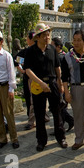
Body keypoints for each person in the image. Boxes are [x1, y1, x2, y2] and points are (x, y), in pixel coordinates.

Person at [23, 23, 67, 152]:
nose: (47, 37)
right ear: (37, 37)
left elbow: (57, 67)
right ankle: (41, 141)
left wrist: (60, 83)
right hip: (38, 85)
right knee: (40, 114)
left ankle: (61, 137)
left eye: (48, 35)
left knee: (57, 112)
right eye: (44, 35)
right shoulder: (30, 51)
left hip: (52, 83)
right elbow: (28, 70)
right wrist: (41, 83)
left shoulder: (52, 49)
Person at [51, 37, 74, 133]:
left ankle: (69, 120)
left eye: (52, 45)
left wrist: (61, 85)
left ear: (58, 46)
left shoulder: (61, 57)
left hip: (60, 84)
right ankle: (61, 126)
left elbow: (61, 73)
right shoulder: (58, 55)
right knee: (59, 107)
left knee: (59, 106)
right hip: (58, 84)